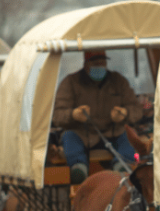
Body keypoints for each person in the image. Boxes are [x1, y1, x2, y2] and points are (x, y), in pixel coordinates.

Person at [53, 50, 141, 184]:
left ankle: (121, 168)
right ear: (86, 64)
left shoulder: (119, 81)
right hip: (82, 134)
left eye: (103, 62)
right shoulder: (70, 82)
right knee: (69, 137)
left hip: (114, 133)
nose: (100, 66)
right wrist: (73, 115)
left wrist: (125, 113)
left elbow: (136, 110)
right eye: (95, 63)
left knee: (128, 135)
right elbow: (57, 115)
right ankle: (79, 170)